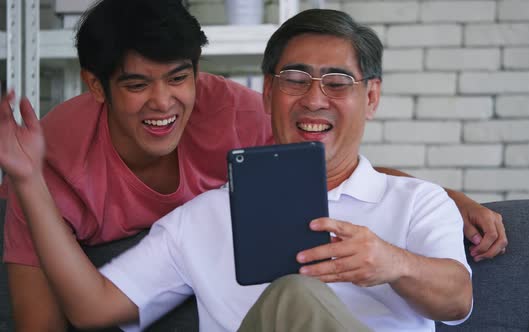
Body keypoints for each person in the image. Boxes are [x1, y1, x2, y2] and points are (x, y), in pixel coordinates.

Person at [0, 0, 503, 330]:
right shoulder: (201, 217)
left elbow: (457, 299)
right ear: (268, 93)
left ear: (371, 97)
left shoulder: (419, 203)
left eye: (336, 81)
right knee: (295, 297)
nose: (314, 99)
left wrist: (392, 261)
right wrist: (27, 178)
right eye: (294, 78)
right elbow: (91, 309)